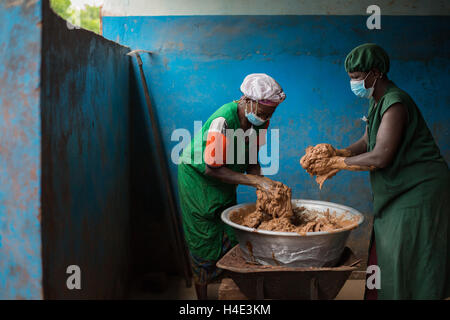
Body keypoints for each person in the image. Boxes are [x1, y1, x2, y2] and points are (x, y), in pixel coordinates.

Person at [303, 43, 449, 299]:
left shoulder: (395, 102)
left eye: (357, 77)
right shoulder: (377, 100)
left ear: (376, 73)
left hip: (420, 188)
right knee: (389, 249)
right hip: (399, 188)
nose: (353, 83)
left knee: (407, 253)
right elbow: (367, 141)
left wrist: (335, 165)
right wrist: (339, 153)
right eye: (351, 77)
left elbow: (380, 155)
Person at [178, 73, 286, 299]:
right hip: (199, 178)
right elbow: (211, 168)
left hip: (226, 175)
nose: (267, 117)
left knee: (230, 228)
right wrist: (256, 181)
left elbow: (252, 160)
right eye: (264, 112)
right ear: (248, 101)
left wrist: (262, 187)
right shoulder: (224, 121)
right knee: (204, 237)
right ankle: (202, 297)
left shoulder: (261, 121)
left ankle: (233, 286)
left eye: (271, 114)